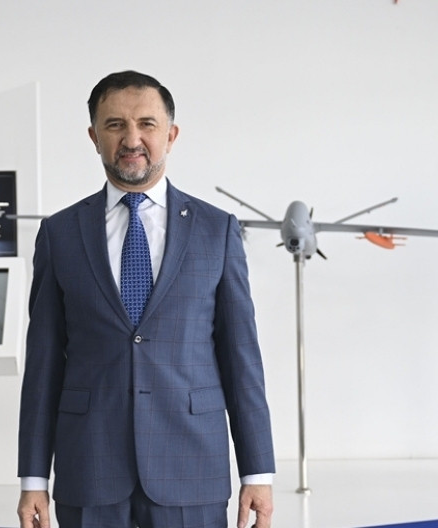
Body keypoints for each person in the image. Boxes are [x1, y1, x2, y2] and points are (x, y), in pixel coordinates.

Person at [18, 70, 274, 528]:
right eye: (115, 125)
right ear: (94, 137)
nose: (131, 139)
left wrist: (257, 472)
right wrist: (33, 478)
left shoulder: (216, 230)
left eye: (147, 124)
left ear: (171, 135)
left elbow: (241, 358)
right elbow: (44, 364)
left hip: (191, 466)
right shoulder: (59, 234)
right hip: (89, 466)